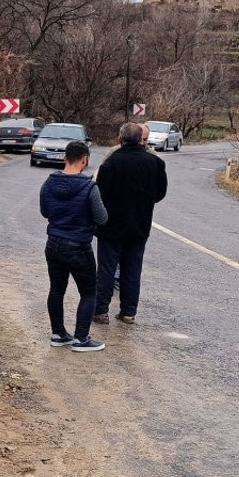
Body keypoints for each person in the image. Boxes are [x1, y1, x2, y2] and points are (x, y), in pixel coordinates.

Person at [93, 122, 168, 325]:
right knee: (133, 269)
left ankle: (100, 311)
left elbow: (99, 191)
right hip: (140, 224)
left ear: (121, 139)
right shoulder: (156, 163)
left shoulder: (112, 161)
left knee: (107, 269)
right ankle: (128, 312)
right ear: (141, 139)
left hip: (111, 224)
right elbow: (160, 193)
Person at [40, 141, 108, 352]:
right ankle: (81, 338)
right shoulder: (89, 186)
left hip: (53, 243)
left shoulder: (49, 183)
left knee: (57, 289)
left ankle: (58, 333)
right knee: (88, 292)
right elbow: (102, 218)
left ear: (64, 158)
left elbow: (45, 212)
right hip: (78, 245)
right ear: (84, 160)